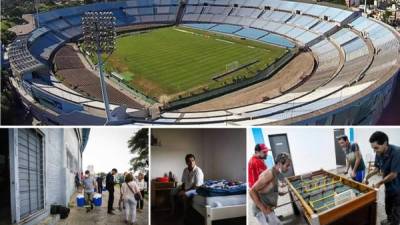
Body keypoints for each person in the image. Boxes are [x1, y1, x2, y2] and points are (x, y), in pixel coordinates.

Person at [365, 131, 400, 225]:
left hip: (398, 185)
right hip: (388, 185)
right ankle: (389, 220)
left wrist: (379, 183)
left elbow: (393, 174)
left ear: (385, 143)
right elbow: (377, 168)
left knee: (396, 208)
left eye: (376, 148)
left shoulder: (396, 152)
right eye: (373, 148)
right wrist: (367, 177)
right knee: (388, 205)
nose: (374, 151)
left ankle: (394, 222)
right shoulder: (379, 152)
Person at [249, 153, 291, 224]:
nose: (289, 168)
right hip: (261, 211)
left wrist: (280, 193)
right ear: (280, 164)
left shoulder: (276, 173)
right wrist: (263, 209)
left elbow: (267, 189)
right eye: (287, 165)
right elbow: (251, 191)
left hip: (268, 208)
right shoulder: (269, 174)